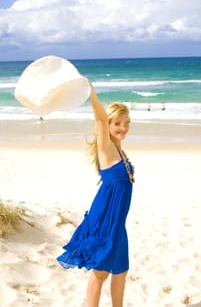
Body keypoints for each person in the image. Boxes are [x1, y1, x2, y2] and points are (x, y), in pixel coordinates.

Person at [57, 82, 135, 307]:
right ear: (108, 125)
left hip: (118, 221)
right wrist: (90, 90)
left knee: (121, 270)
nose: (123, 127)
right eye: (117, 123)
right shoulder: (107, 148)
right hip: (105, 218)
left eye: (127, 123)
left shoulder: (120, 149)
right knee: (100, 272)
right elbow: (100, 120)